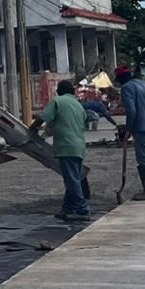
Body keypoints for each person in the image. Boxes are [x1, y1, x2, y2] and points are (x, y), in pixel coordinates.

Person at [38, 78, 92, 222]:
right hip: (79, 146)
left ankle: (82, 209)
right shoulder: (78, 105)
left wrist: (32, 128)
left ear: (59, 91)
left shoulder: (58, 101)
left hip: (66, 146)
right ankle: (68, 208)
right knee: (73, 178)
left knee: (72, 180)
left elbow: (43, 117)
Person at [115, 65, 145, 201]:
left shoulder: (126, 88)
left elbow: (131, 111)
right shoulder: (143, 83)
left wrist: (128, 129)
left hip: (140, 127)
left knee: (143, 158)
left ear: (120, 79)